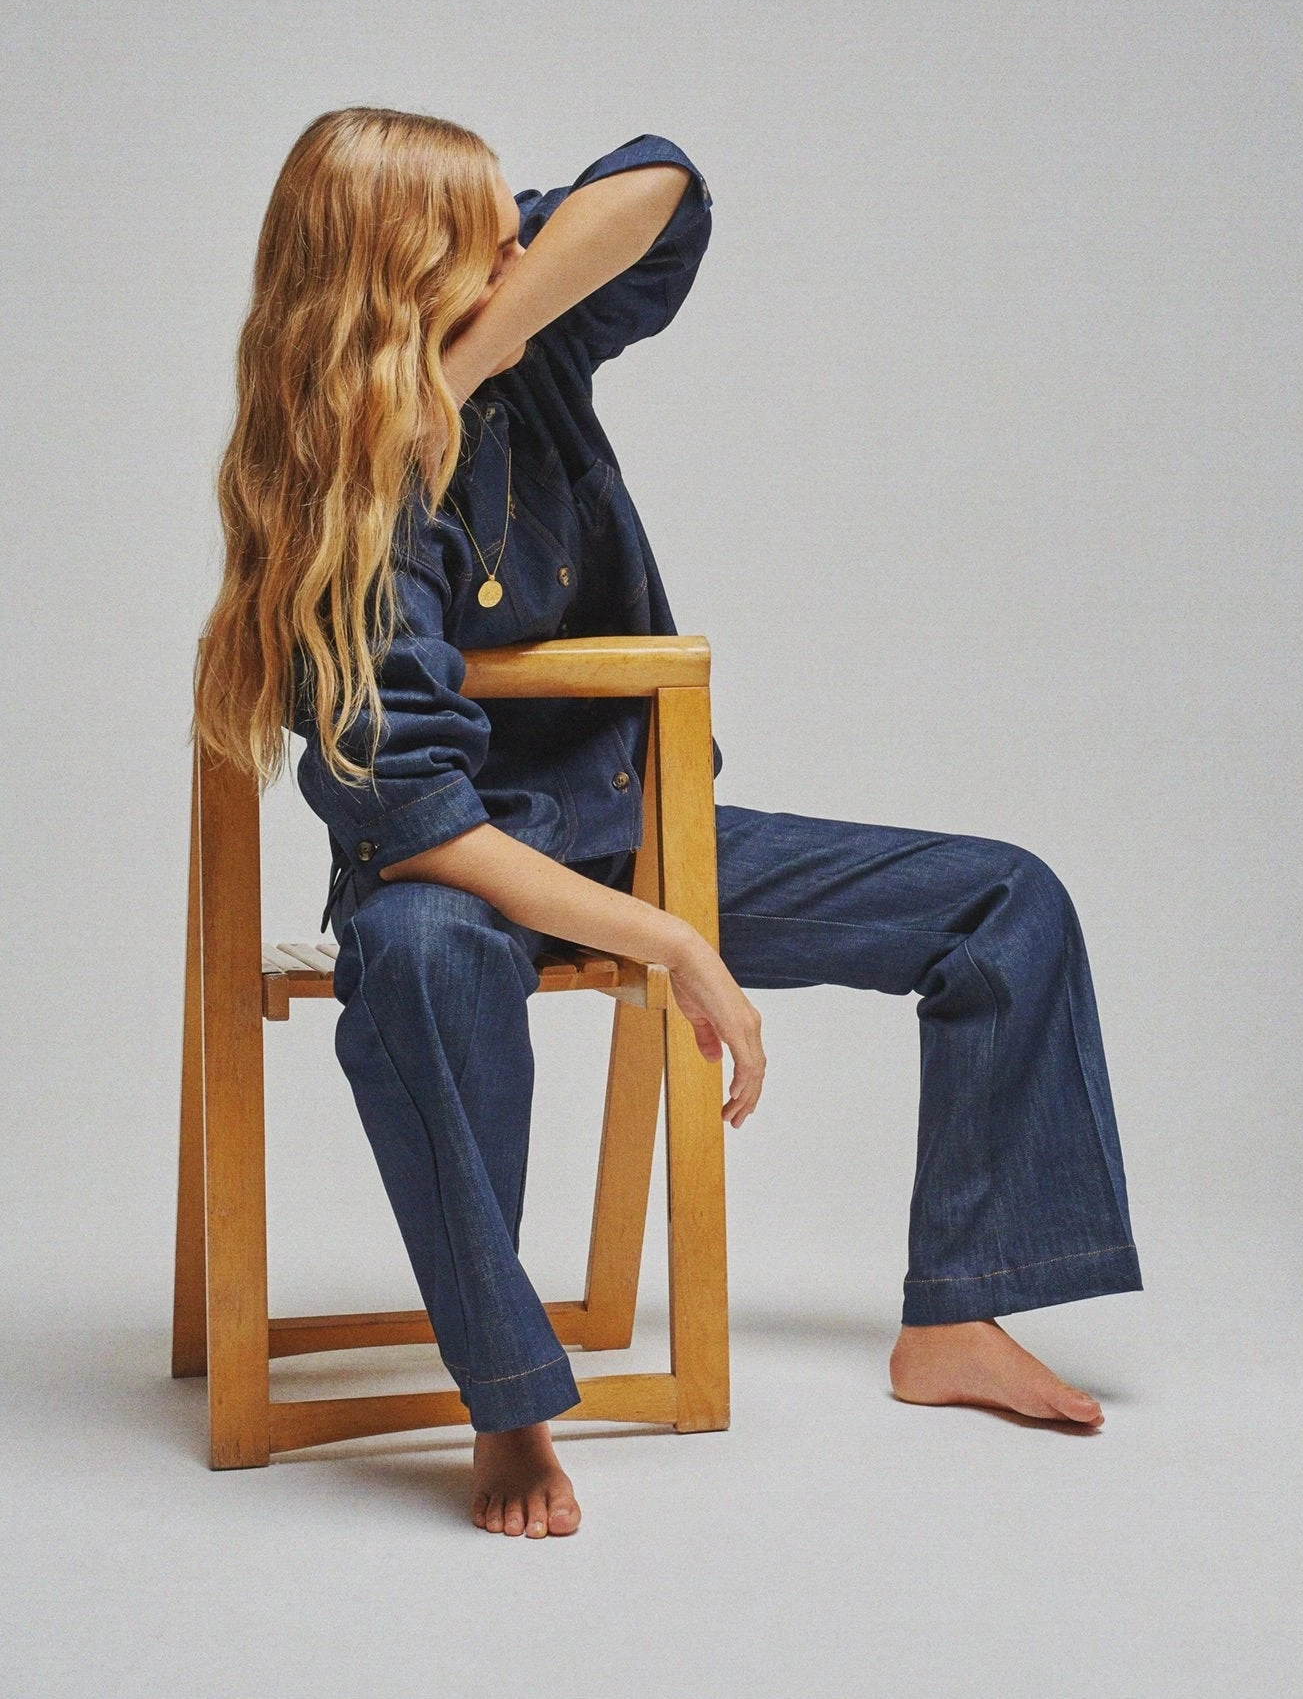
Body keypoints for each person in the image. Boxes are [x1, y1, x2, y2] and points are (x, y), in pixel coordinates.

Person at [193, 106, 1143, 1540]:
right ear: (401, 273)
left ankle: (957, 1315)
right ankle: (509, 1403)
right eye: (486, 241)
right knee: (425, 960)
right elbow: (423, 823)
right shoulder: (347, 495)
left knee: (1005, 903)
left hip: (627, 828)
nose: (519, 247)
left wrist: (483, 346)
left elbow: (662, 185)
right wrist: (672, 943)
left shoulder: (527, 353)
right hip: (452, 875)